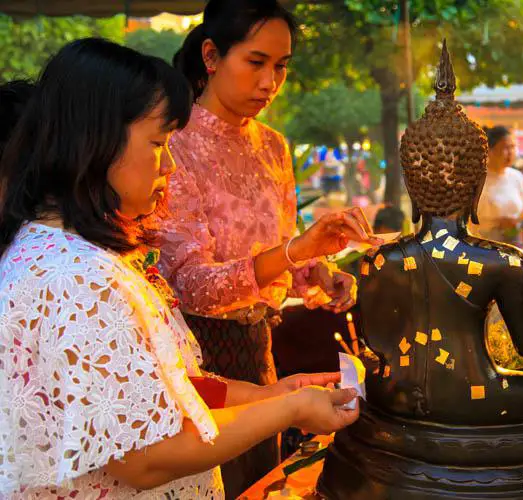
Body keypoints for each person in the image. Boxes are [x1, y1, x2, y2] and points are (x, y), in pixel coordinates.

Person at [0, 38, 359, 499]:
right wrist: (289, 410)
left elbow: (169, 391)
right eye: (158, 143)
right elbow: (147, 457)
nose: (169, 165)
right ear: (95, 142)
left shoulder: (79, 258)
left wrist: (277, 394)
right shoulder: (75, 277)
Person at [160, 1, 378, 495]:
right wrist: (298, 251)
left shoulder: (275, 147)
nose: (269, 82)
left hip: (261, 347)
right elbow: (193, 286)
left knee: (266, 482)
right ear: (211, 56)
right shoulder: (173, 144)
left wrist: (318, 272)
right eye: (256, 62)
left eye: (281, 66)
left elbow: (279, 259)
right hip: (196, 352)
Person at [471, 126, 523, 245]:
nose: (510, 152)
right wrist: (497, 222)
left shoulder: (517, 177)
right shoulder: (477, 179)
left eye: (513, 147)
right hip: (485, 246)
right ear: (490, 151)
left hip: (514, 245)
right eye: (506, 147)